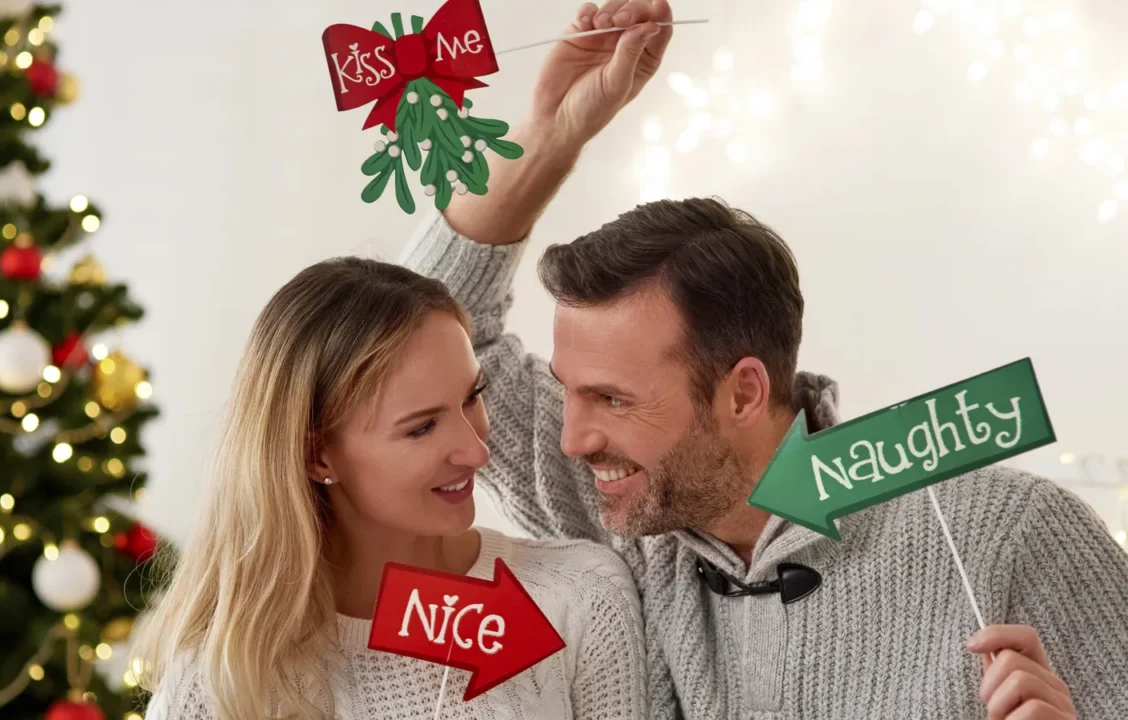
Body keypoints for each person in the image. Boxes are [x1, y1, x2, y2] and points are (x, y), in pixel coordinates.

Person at [400, 0, 1128, 717]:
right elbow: (411, 335)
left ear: (743, 393)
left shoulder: (1010, 533)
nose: (573, 437)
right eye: (574, 393)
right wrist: (553, 129)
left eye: (614, 399)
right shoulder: (626, 512)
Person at [132, 258, 648, 719]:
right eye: (422, 427)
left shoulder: (581, 594)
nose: (477, 452)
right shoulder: (223, 679)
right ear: (317, 455)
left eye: (473, 397)